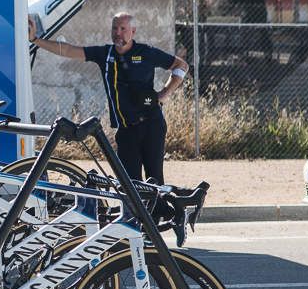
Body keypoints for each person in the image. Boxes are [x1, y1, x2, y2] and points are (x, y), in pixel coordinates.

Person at [28, 12, 189, 184]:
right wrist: (36, 40)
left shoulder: (146, 52)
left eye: (123, 29)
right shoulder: (105, 54)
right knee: (130, 184)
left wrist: (165, 93)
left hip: (151, 125)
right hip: (125, 130)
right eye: (114, 28)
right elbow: (68, 50)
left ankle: (162, 211)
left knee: (154, 180)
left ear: (133, 31)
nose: (118, 33)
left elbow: (181, 65)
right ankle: (134, 212)